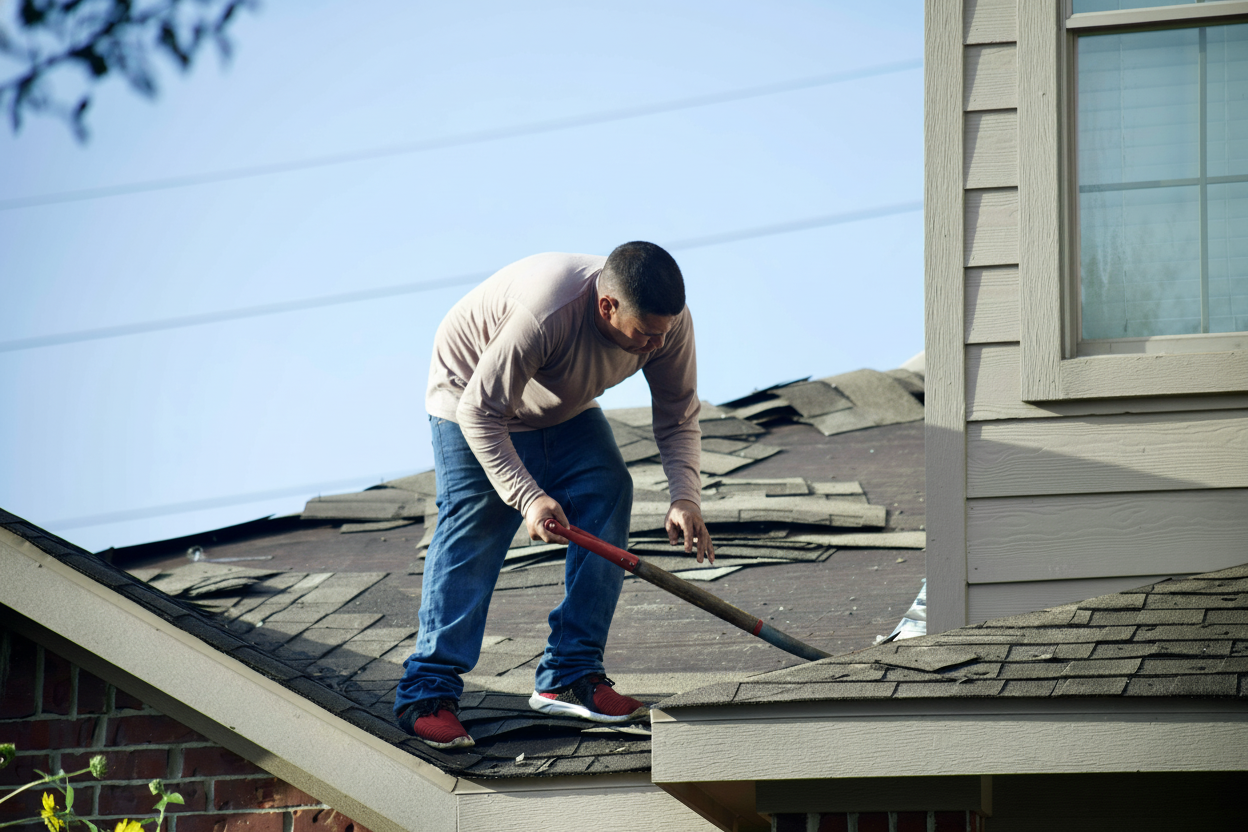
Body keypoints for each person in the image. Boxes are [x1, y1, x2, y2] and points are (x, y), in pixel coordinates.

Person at [393, 241, 714, 749]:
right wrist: (527, 496)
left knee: (608, 488)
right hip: (470, 399)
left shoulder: (667, 325)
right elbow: (481, 413)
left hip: (559, 406)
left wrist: (685, 498)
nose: (656, 344)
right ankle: (426, 693)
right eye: (645, 334)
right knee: (477, 521)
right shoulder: (546, 312)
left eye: (664, 332)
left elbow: (677, 413)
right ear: (607, 307)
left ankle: (570, 673)